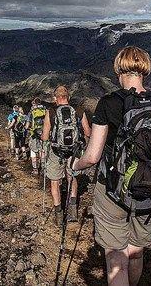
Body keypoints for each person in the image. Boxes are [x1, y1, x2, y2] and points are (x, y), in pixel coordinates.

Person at [70, 46, 151, 286]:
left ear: (119, 69)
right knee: (137, 251)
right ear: (145, 71)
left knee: (116, 256)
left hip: (113, 191)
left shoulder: (109, 103)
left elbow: (92, 156)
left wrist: (74, 164)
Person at [41, 86, 91, 225]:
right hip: (74, 152)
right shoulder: (79, 111)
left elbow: (45, 137)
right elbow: (87, 132)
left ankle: (58, 215)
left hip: (56, 152)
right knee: (72, 177)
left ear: (55, 98)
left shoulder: (50, 112)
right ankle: (72, 211)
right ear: (68, 97)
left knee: (55, 181)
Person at [26, 98, 47, 175]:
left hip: (34, 134)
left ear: (34, 103)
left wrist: (26, 128)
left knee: (33, 152)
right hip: (43, 134)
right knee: (42, 151)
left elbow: (27, 125)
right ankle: (43, 169)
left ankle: (35, 170)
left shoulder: (31, 112)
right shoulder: (45, 111)